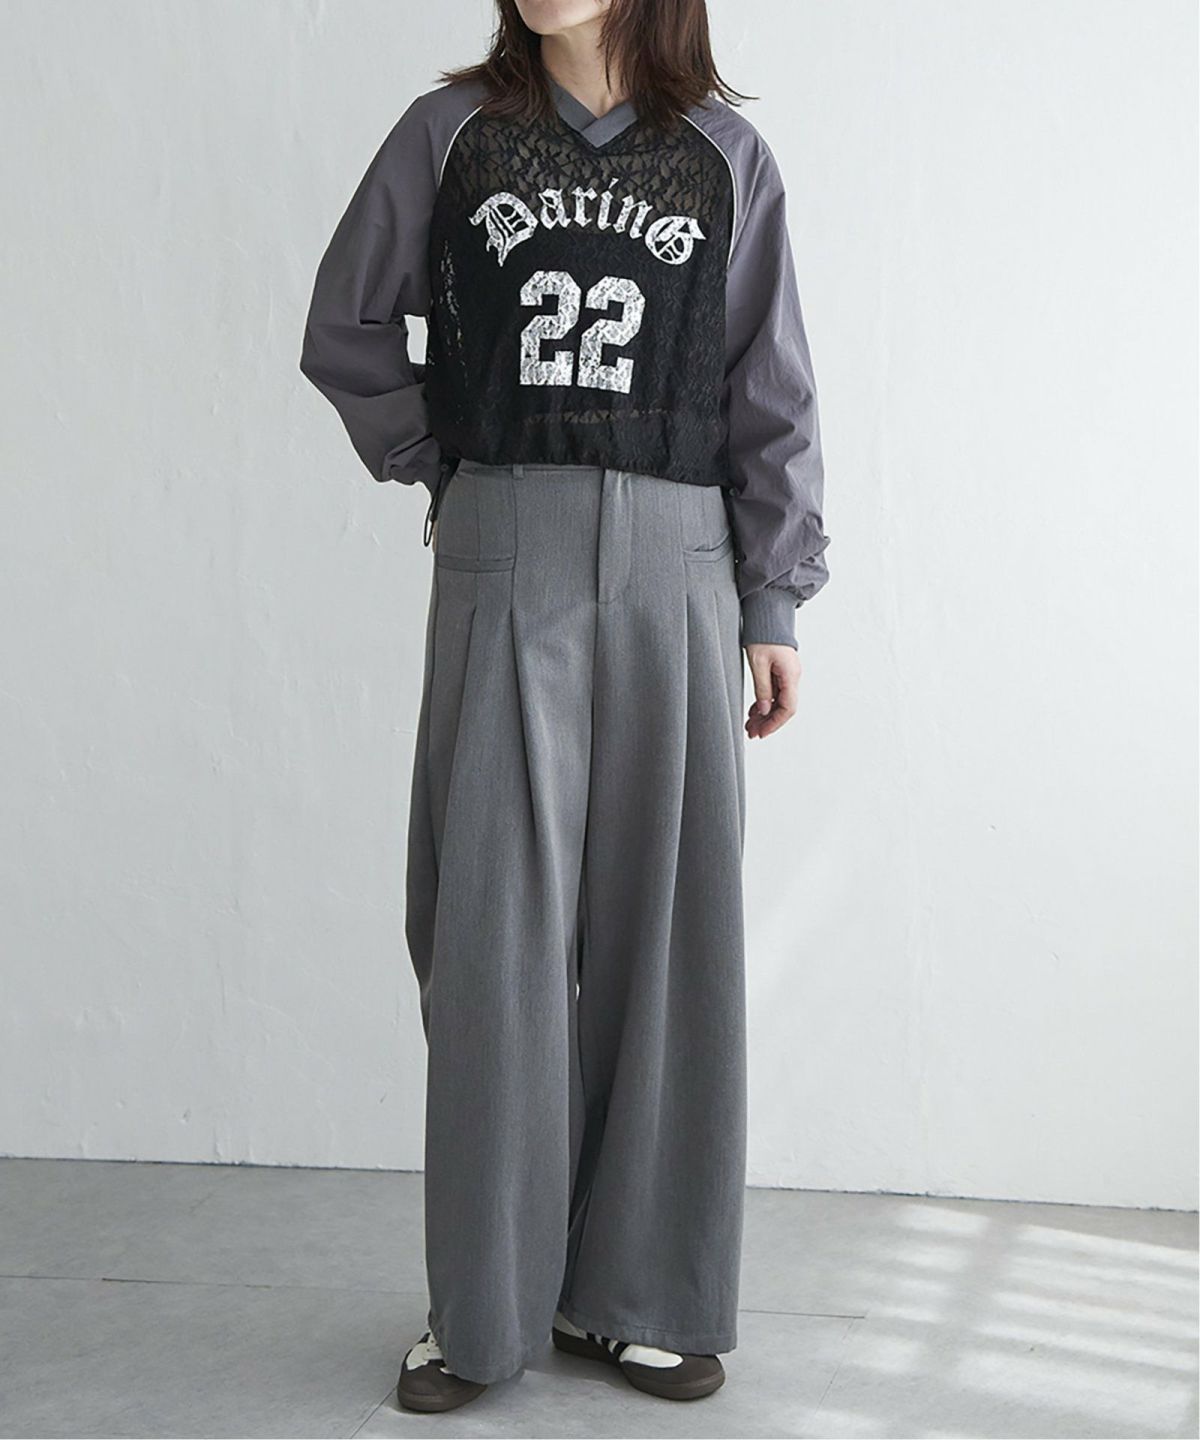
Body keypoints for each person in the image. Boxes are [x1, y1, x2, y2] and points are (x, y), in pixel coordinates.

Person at [299, 0, 829, 1414]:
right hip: (506, 544)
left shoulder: (723, 155)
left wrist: (773, 603)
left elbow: (770, 390)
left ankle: (641, 1297)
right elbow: (346, 328)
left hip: (680, 562)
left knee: (671, 940)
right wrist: (444, 456)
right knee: (488, 935)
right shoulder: (450, 134)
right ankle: (483, 1309)